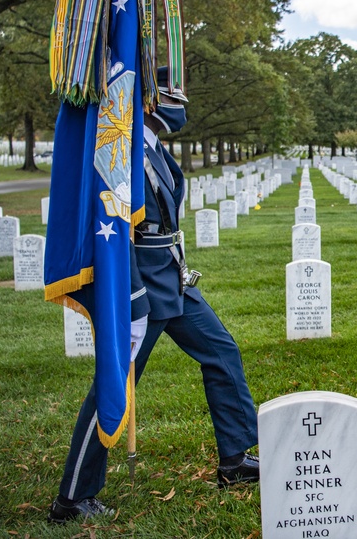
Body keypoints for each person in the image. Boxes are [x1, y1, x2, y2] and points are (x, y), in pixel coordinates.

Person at [48, 67, 261, 524]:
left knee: (221, 351)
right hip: (141, 284)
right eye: (171, 97)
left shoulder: (153, 148)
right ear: (148, 99)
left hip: (173, 277)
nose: (180, 106)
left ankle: (234, 459)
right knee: (114, 388)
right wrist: (131, 297)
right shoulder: (120, 150)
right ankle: (72, 498)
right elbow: (115, 231)